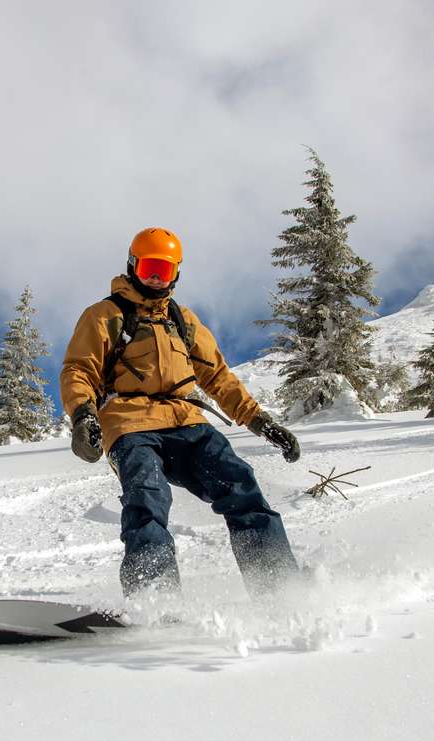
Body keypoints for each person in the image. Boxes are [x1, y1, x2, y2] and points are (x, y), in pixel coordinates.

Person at [60, 226, 303, 599]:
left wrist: (261, 422)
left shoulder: (183, 320)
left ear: (176, 273)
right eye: (148, 269)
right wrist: (83, 417)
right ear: (132, 266)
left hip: (187, 423)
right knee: (146, 498)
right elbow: (80, 370)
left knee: (240, 485)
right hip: (130, 423)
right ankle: (155, 598)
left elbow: (218, 377)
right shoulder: (105, 315)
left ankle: (278, 588)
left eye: (164, 270)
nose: (156, 278)